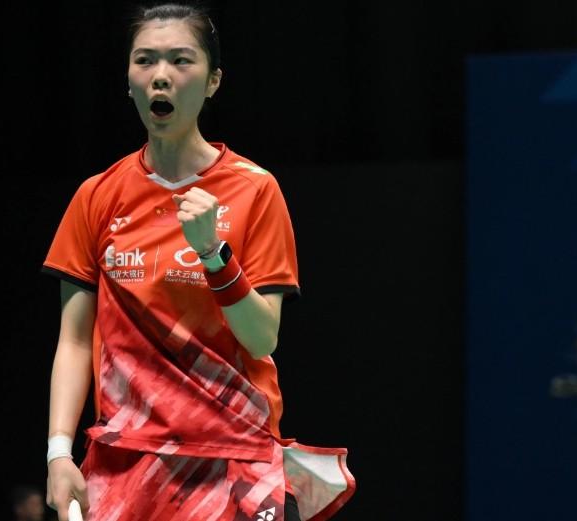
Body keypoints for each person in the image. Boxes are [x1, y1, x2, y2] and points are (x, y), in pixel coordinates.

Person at [41, 3, 356, 520]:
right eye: (145, 60)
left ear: (213, 82)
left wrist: (213, 254)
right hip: (126, 459)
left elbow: (262, 337)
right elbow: (74, 341)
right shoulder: (96, 196)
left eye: (181, 60)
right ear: (128, 81)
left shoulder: (255, 190)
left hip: (233, 455)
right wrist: (58, 452)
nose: (160, 75)